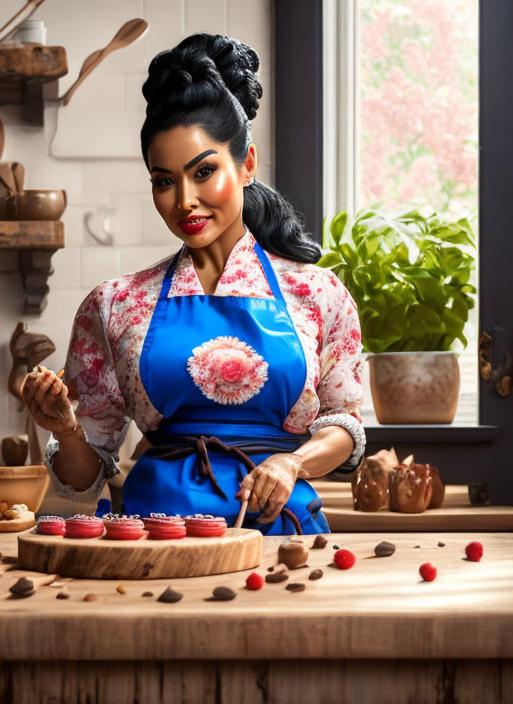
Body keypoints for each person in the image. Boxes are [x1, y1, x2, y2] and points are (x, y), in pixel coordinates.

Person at [21, 33, 364, 535]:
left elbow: (345, 427)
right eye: (164, 180)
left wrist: (293, 462)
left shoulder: (318, 294)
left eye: (204, 171)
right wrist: (64, 428)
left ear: (246, 164)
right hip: (154, 541)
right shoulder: (115, 304)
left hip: (281, 538)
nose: (184, 200)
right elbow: (84, 476)